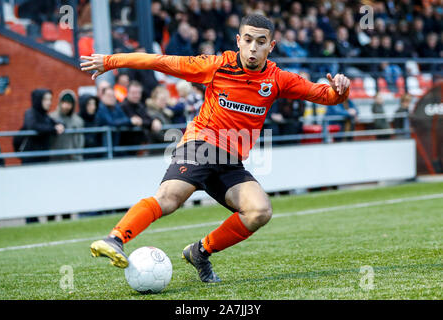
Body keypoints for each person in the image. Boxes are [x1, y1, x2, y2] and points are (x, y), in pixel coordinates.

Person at [80, 14, 350, 283]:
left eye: (260, 42)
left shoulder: (277, 79)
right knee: (170, 198)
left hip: (230, 162)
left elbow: (325, 95)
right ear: (238, 41)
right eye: (247, 40)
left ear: (271, 46)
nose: (253, 48)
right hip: (201, 145)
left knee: (259, 211)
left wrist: (341, 90)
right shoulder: (217, 66)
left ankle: (200, 252)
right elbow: (160, 62)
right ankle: (115, 239)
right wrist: (110, 61)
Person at [18, 89, 65, 164]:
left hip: (43, 157)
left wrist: (61, 125)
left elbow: (55, 123)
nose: (49, 102)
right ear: (38, 100)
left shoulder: (45, 115)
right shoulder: (30, 113)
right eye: (45, 99)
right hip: (31, 158)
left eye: (50, 99)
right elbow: (34, 126)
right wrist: (54, 129)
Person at [95, 87, 142, 155]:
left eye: (113, 96)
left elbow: (124, 118)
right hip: (103, 149)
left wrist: (132, 121)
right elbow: (111, 122)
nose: (111, 98)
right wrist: (130, 121)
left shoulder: (116, 107)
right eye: (109, 96)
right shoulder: (100, 109)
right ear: (102, 96)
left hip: (116, 146)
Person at [120, 81, 162, 155]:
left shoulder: (140, 105)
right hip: (127, 149)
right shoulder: (123, 106)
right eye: (133, 93)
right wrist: (149, 122)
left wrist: (154, 120)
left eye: (138, 93)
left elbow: (145, 119)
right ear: (127, 93)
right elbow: (137, 121)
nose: (136, 95)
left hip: (141, 146)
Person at [49, 90, 85, 161]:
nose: (65, 106)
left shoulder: (78, 121)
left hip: (73, 158)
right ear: (60, 103)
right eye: (64, 102)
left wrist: (78, 155)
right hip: (55, 158)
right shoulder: (52, 118)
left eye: (69, 103)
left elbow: (80, 140)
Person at [78, 94, 102, 159]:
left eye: (94, 104)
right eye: (89, 104)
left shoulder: (98, 119)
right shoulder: (77, 120)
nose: (93, 107)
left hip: (98, 157)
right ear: (83, 105)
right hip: (82, 157)